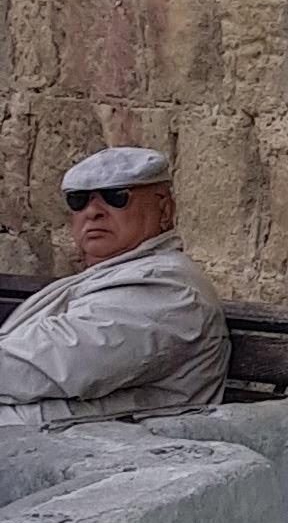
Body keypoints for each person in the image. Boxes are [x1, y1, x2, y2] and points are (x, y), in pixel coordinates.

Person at [0, 145, 230, 419]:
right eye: (78, 200)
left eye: (116, 197)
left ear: (165, 210)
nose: (93, 211)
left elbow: (50, 365)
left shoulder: (168, 291)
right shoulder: (117, 274)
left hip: (111, 442)